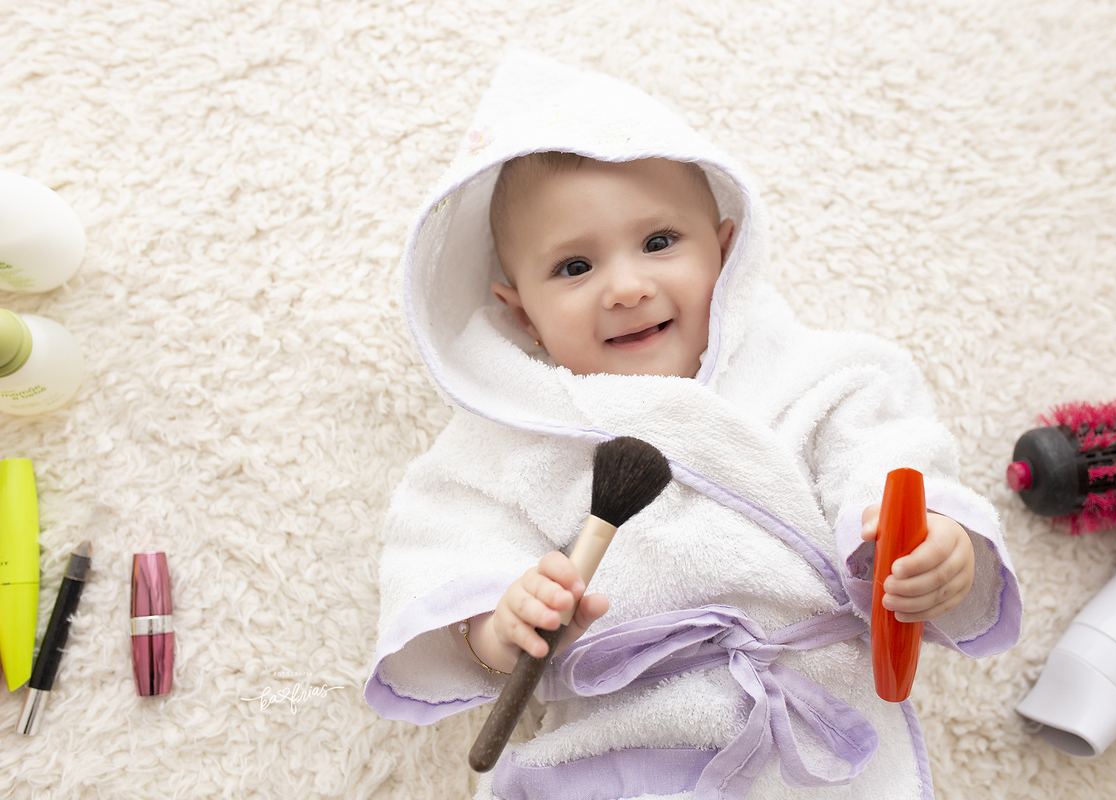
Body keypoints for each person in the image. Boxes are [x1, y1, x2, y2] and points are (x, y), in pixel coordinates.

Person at [366, 51, 1021, 800]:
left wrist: (934, 546)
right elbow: (445, 561)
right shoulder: (508, 438)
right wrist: (499, 627)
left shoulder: (818, 376)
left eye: (658, 243)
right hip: (614, 750)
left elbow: (890, 461)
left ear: (726, 251)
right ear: (523, 314)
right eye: (574, 267)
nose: (626, 287)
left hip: (812, 742)